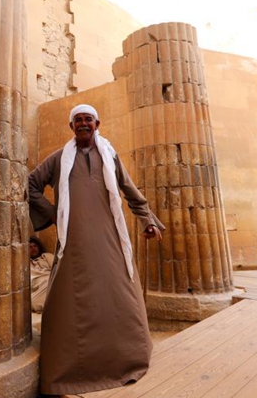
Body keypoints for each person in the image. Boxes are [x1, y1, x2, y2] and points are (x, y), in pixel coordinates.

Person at [28, 103, 165, 396]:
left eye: (88, 119)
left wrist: (148, 221)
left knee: (119, 293)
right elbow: (31, 184)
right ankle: (71, 372)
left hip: (109, 237)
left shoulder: (109, 156)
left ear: (97, 123)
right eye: (77, 120)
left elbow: (130, 191)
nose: (83, 123)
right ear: (71, 126)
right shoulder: (58, 160)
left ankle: (127, 359)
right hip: (72, 241)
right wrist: (53, 213)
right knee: (69, 303)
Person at [29, 237, 54, 313]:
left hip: (49, 282)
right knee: (31, 303)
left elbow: (58, 269)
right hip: (37, 288)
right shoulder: (25, 262)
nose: (33, 248)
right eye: (30, 247)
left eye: (35, 246)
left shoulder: (46, 256)